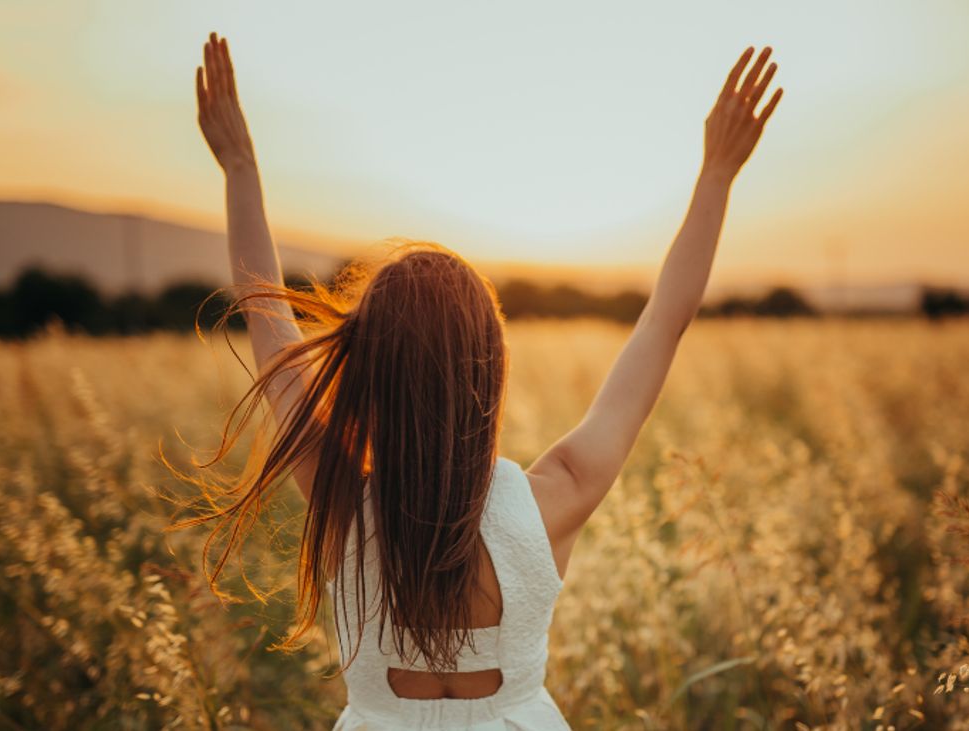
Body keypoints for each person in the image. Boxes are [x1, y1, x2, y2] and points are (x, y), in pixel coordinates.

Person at [192, 31, 781, 730]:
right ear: (488, 376)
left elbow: (267, 316)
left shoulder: (338, 498)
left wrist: (238, 165)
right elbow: (662, 325)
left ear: (368, 376)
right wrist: (715, 174)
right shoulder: (555, 497)